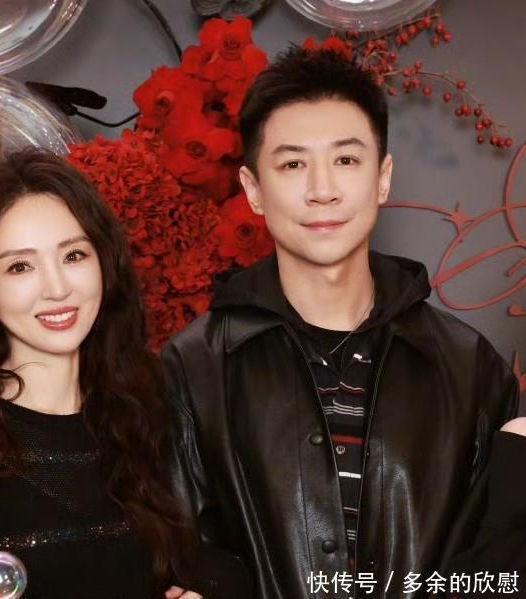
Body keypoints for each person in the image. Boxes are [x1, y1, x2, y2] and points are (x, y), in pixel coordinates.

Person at [162, 46, 525, 599]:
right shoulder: (192, 369)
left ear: (383, 179)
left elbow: (497, 567)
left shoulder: (469, 366)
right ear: (253, 190)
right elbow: (178, 554)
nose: (322, 189)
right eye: (292, 164)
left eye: (347, 161)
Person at [0, 149, 243, 598]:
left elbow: (226, 555)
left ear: (104, 261)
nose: (57, 288)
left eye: (74, 255)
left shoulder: (149, 401)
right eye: (20, 266)